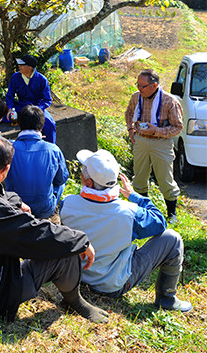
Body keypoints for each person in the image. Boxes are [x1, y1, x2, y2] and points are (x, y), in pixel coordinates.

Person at [0, 135, 109, 323]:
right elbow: (34, 232)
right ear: (5, 169)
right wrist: (80, 240)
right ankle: (75, 301)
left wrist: (15, 200)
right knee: (67, 248)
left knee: (62, 240)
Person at [60, 149, 192, 312]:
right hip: (112, 285)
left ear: (88, 183)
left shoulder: (67, 204)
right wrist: (135, 196)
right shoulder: (130, 212)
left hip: (77, 279)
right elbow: (160, 222)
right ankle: (167, 298)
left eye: (82, 173)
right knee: (173, 238)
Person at [125, 69, 183, 223]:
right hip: (140, 141)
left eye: (142, 86)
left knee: (165, 179)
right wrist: (131, 129)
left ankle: (172, 215)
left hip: (161, 143)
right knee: (139, 178)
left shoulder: (169, 101)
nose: (138, 88)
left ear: (154, 85)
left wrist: (156, 130)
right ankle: (142, 212)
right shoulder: (136, 97)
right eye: (137, 84)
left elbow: (177, 127)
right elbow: (129, 113)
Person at [5, 105, 69, 219]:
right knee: (62, 182)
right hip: (45, 209)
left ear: (19, 124)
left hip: (17, 206)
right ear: (41, 126)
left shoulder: (9, 148)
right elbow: (62, 178)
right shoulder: (53, 149)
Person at [5, 54, 56, 143]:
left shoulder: (42, 79)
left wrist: (38, 109)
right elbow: (10, 96)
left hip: (37, 107)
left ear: (29, 68)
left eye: (21, 65)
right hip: (21, 106)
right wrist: (10, 108)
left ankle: (50, 148)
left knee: (49, 124)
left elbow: (47, 100)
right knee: (1, 116)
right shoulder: (15, 77)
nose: (19, 66)